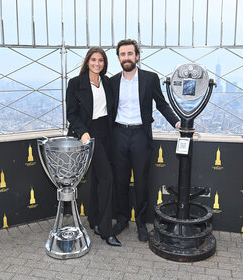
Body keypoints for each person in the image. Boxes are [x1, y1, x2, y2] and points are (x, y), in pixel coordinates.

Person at [110, 39, 180, 242]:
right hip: (118, 135)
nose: (126, 57)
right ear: (119, 58)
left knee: (141, 182)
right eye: (122, 54)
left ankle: (141, 223)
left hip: (141, 135)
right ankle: (122, 220)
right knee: (120, 181)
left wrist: (177, 123)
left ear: (137, 56)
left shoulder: (150, 78)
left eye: (130, 54)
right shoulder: (112, 81)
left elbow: (161, 104)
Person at [66, 47, 121, 247]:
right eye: (93, 59)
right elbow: (71, 114)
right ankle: (106, 231)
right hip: (89, 135)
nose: (97, 63)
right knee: (107, 179)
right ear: (87, 61)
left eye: (101, 60)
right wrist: (83, 132)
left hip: (107, 132)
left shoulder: (107, 82)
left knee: (99, 178)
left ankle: (94, 221)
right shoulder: (75, 83)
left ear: (104, 63)